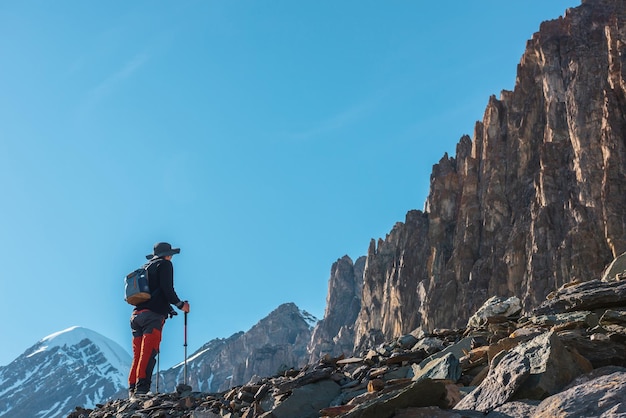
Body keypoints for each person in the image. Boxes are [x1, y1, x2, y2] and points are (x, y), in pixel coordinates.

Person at [128, 242, 190, 397]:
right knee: (148, 352)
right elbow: (167, 289)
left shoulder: (146, 267)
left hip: (136, 316)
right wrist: (180, 305)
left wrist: (167, 309)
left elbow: (154, 293)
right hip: (152, 317)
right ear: (168, 255)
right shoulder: (165, 265)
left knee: (138, 354)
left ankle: (132, 390)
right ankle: (142, 390)